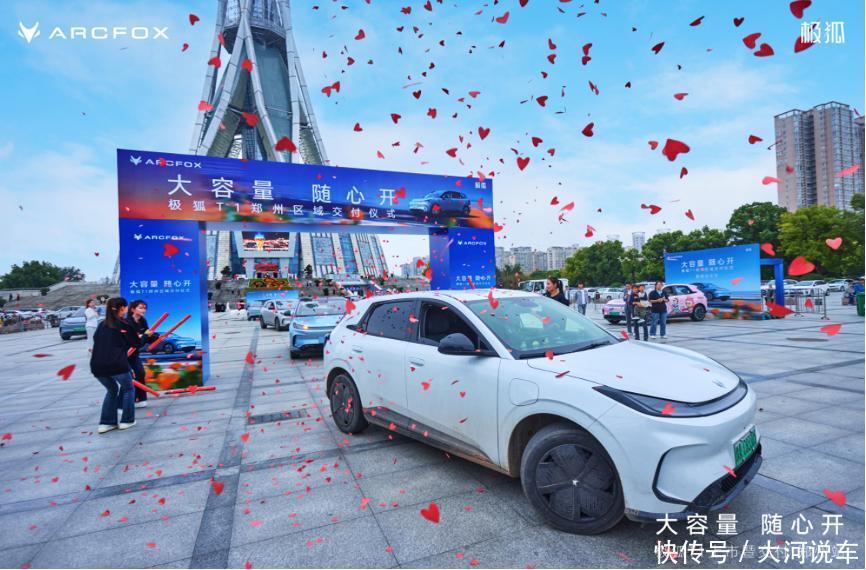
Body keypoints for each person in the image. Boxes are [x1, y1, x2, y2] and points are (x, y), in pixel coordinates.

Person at [89, 297, 136, 433]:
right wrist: (146, 336)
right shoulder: (123, 324)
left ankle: (106, 423)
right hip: (116, 364)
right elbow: (135, 343)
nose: (127, 309)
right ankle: (127, 420)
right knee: (128, 389)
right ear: (122, 308)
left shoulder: (101, 325)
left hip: (97, 366)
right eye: (126, 307)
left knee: (112, 390)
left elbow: (97, 340)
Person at [125, 300, 157, 408]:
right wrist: (144, 336)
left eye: (144, 308)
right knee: (128, 377)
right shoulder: (127, 322)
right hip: (124, 353)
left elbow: (146, 337)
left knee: (140, 373)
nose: (143, 310)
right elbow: (135, 341)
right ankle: (128, 401)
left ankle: (141, 399)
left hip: (134, 353)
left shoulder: (142, 321)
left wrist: (154, 336)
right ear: (133, 309)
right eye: (140, 307)